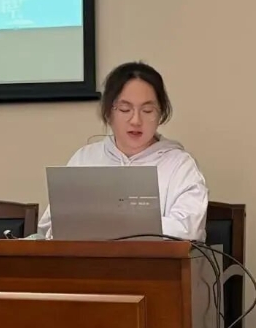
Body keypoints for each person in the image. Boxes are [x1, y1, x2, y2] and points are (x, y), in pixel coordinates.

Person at [38, 61, 208, 241]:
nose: (136, 120)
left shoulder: (180, 165)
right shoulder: (85, 159)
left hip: (154, 259)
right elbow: (50, 226)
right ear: (108, 112)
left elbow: (188, 229)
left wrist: (112, 224)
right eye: (125, 109)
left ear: (161, 113)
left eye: (147, 110)